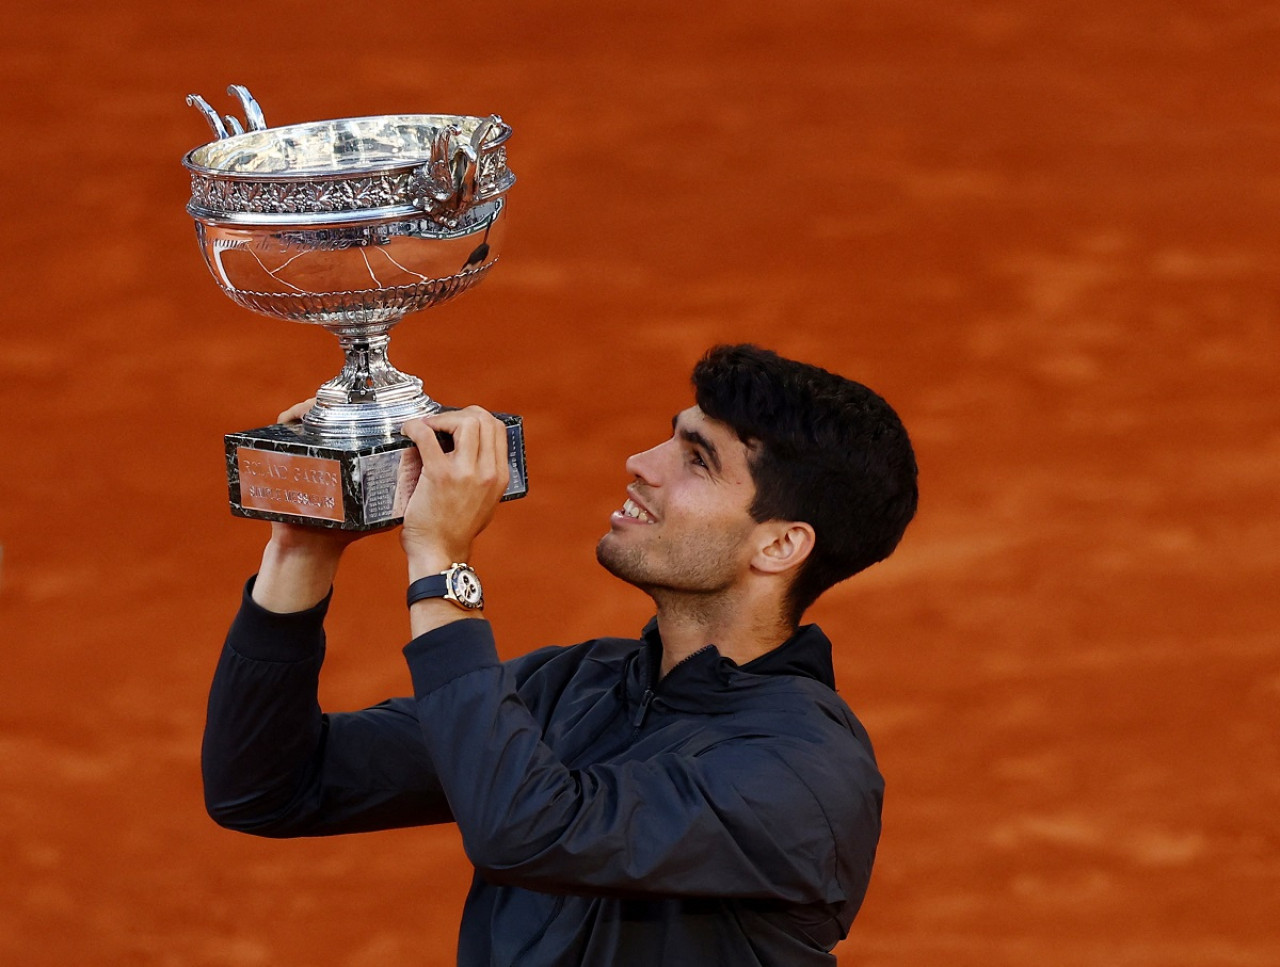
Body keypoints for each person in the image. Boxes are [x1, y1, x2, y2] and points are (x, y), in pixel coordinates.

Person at [202, 343, 919, 966]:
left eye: (697, 461)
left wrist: (441, 561)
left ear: (780, 544)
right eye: (672, 437)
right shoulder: (573, 685)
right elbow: (268, 785)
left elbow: (525, 828)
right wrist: (301, 551)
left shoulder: (801, 773)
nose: (641, 464)